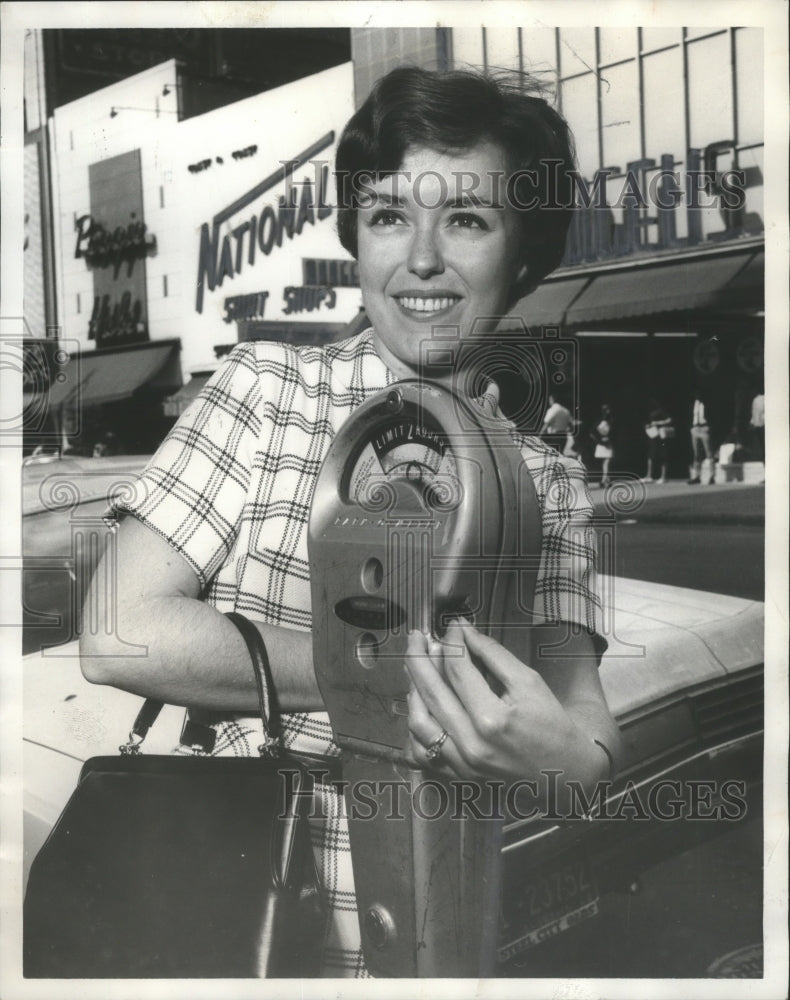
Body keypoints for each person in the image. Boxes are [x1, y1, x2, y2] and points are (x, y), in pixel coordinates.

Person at [80, 66, 620, 978]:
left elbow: (585, 746)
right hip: (235, 928)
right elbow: (119, 632)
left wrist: (557, 756)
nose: (419, 259)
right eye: (387, 216)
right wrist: (379, 685)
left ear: (523, 253)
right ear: (355, 239)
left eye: (466, 219)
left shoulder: (545, 480)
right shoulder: (264, 392)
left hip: (439, 942)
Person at [643, 401, 674, 484]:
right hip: (653, 434)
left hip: (661, 434)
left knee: (663, 454)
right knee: (651, 455)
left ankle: (663, 476)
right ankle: (649, 476)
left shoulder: (662, 410)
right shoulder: (649, 411)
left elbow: (669, 420)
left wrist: (657, 423)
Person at [687, 395, 714, 485]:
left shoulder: (707, 403)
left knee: (708, 452)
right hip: (695, 429)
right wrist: (691, 428)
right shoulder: (692, 404)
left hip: (704, 428)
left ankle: (712, 475)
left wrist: (708, 426)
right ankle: (697, 476)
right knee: (696, 453)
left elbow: (712, 416)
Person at [590, 404, 614, 487]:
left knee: (606, 462)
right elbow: (593, 432)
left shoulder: (605, 420)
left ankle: (606, 479)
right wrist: (600, 440)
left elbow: (593, 433)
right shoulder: (605, 420)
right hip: (604, 443)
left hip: (605, 442)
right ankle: (604, 480)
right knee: (606, 461)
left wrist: (599, 440)